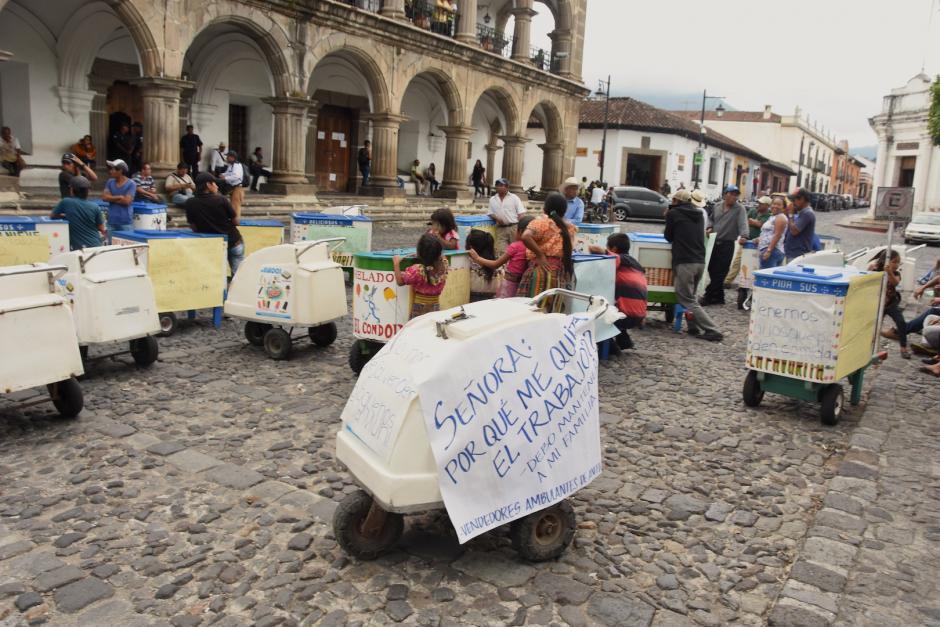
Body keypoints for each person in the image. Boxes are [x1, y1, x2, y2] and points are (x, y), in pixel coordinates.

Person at [664, 189, 723, 341]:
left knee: (685, 298)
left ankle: (712, 329)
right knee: (692, 297)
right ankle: (693, 327)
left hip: (685, 261)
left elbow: (668, 236)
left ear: (676, 201)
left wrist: (668, 216)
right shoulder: (699, 214)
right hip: (699, 261)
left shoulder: (673, 214)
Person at [518, 192, 577, 312]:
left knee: (531, 311)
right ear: (564, 210)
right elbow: (570, 249)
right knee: (552, 311)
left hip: (539, 270)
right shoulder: (569, 227)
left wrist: (540, 254)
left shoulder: (541, 223)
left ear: (545, 208)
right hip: (558, 274)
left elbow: (525, 236)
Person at [588, 233, 647, 350]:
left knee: (600, 308)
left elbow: (594, 249)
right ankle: (624, 340)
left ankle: (608, 346)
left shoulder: (619, 258)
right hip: (640, 315)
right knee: (617, 301)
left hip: (626, 316)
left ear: (614, 249)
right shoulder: (636, 265)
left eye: (607, 246)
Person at [185, 172, 245, 275]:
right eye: (215, 183)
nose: (217, 186)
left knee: (215, 277)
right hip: (233, 242)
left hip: (211, 245)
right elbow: (236, 222)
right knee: (238, 277)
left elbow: (194, 227)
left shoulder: (190, 203)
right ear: (208, 185)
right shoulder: (221, 200)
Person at [700, 184, 747, 306]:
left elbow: (743, 223)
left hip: (727, 244)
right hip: (713, 242)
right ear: (726, 194)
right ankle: (719, 296)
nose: (734, 197)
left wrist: (744, 236)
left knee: (721, 272)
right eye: (732, 194)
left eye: (736, 194)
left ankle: (708, 296)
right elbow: (711, 219)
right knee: (711, 268)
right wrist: (709, 227)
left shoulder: (739, 209)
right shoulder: (717, 206)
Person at [468, 215, 534, 298]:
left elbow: (496, 264)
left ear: (520, 232)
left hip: (510, 284)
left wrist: (477, 258)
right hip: (525, 284)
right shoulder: (534, 248)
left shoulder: (515, 246)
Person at [392, 233, 449, 319]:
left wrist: (396, 264)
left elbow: (400, 281)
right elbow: (441, 256)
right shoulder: (444, 265)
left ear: (420, 252)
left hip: (419, 310)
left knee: (417, 330)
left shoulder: (418, 270)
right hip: (435, 307)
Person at [868, 249, 910, 360]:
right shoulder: (876, 270)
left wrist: (889, 272)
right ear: (885, 261)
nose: (896, 265)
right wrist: (871, 270)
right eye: (894, 261)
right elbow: (867, 280)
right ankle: (870, 347)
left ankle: (903, 347)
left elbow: (895, 282)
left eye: (898, 262)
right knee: (875, 325)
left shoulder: (896, 273)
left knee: (901, 322)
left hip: (891, 304)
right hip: (877, 303)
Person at [50, 175, 107, 250]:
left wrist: (66, 216)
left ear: (72, 190)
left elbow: (52, 216)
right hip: (95, 246)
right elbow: (102, 228)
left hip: (78, 248)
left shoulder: (66, 202)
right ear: (87, 191)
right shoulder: (95, 206)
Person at [725, 195, 772, 285]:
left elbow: (760, 225)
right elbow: (745, 221)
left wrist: (754, 222)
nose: (759, 205)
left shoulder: (768, 216)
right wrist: (755, 223)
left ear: (767, 205)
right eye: (759, 203)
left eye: (762, 204)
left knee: (754, 264)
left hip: (758, 243)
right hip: (746, 240)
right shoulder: (753, 210)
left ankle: (751, 283)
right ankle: (727, 281)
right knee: (737, 262)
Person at [488, 177, 527, 254]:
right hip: (500, 229)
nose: (502, 187)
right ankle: (504, 266)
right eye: (499, 185)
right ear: (496, 187)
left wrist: (520, 229)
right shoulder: (492, 199)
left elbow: (521, 214)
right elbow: (490, 213)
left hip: (513, 228)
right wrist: (497, 218)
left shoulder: (514, 198)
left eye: (504, 185)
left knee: (515, 250)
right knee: (501, 251)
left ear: (507, 187)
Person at [101, 159, 136, 237]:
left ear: (120, 170)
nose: (111, 171)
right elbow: (104, 197)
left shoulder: (131, 183)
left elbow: (127, 201)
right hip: (111, 220)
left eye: (113, 169)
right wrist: (119, 197)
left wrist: (111, 198)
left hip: (125, 221)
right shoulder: (110, 182)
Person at [466, 230, 501, 301]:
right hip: (495, 296)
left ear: (471, 246)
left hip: (475, 296)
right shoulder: (497, 256)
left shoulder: (469, 259)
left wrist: (477, 259)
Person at [783, 187, 816, 262]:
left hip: (798, 256)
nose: (793, 203)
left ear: (802, 199)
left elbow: (794, 231)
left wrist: (791, 214)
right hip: (793, 254)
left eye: (794, 200)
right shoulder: (802, 212)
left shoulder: (807, 213)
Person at [754, 196, 788, 269]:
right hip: (769, 250)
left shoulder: (780, 217)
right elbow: (770, 233)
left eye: (779, 205)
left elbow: (777, 235)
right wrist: (759, 238)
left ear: (783, 207)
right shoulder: (773, 217)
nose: (775, 206)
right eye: (774, 204)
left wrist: (769, 250)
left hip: (772, 251)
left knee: (765, 277)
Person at [220, 151, 246, 217]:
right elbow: (228, 173)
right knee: (233, 204)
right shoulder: (231, 165)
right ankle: (233, 219)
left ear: (232, 157)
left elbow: (236, 176)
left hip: (237, 187)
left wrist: (225, 178)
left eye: (228, 156)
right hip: (233, 187)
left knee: (236, 205)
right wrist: (222, 175)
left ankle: (236, 221)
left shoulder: (237, 165)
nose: (227, 158)